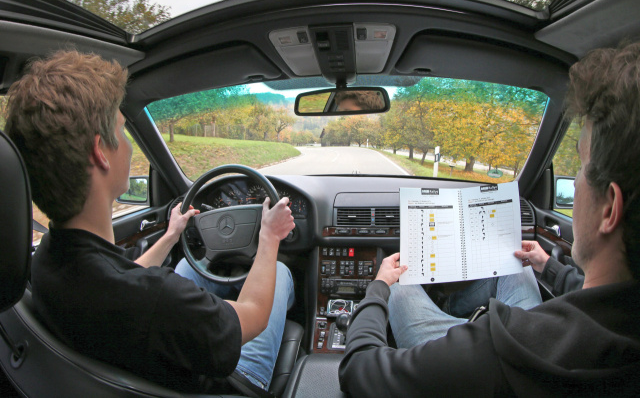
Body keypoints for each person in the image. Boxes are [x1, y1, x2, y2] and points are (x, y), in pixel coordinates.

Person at [339, 42, 640, 396]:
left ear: (610, 209)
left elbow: (358, 369)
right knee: (519, 266)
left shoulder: (498, 349)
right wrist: (548, 267)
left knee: (401, 285)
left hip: (489, 360)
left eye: (582, 166)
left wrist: (377, 288)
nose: (574, 183)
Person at [3, 50, 296, 394]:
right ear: (100, 153)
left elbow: (121, 276)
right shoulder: (157, 299)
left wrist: (171, 235)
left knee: (188, 265)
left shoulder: (46, 260)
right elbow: (254, 314)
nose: (128, 145)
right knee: (280, 273)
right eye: (122, 130)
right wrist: (269, 236)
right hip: (232, 384)